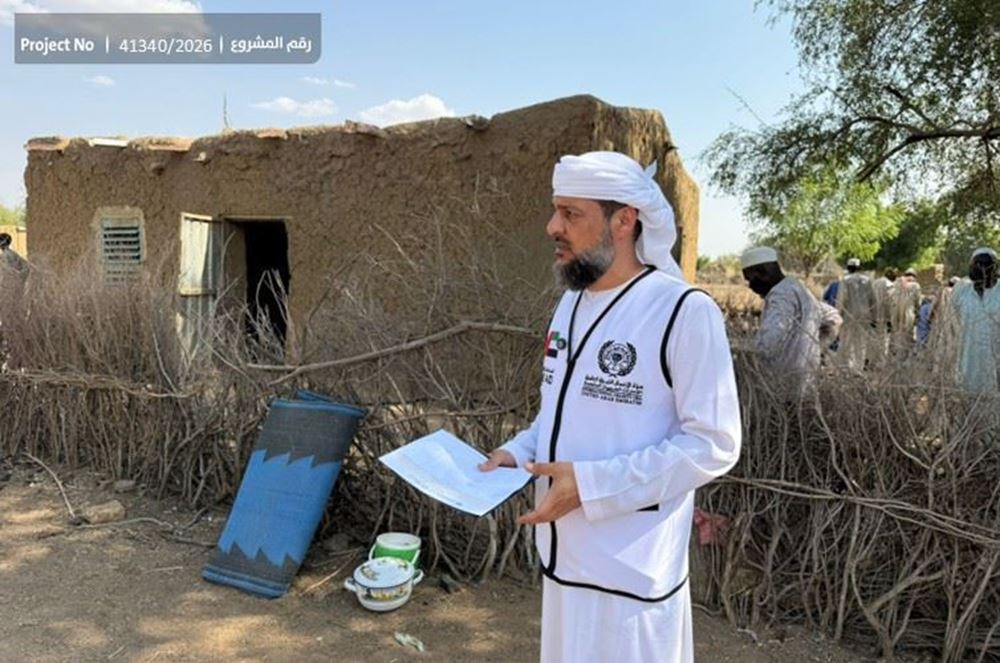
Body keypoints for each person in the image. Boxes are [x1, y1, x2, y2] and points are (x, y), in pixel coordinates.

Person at [478, 151, 741, 662]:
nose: (553, 226)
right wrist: (516, 453)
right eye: (555, 210)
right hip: (564, 562)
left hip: (631, 575)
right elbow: (559, 414)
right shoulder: (571, 302)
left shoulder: (683, 312)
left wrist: (592, 487)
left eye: (571, 214)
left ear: (624, 220)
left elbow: (715, 444)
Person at [740, 247, 841, 394]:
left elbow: (768, 344)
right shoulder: (797, 288)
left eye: (750, 279)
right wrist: (815, 349)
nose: (750, 286)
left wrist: (737, 351)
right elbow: (834, 319)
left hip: (782, 383)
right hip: (807, 376)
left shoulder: (781, 295)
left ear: (763, 274)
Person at [951, 247, 1000, 393]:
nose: (983, 268)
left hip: (995, 362)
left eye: (987, 264)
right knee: (968, 402)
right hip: (968, 360)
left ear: (996, 267)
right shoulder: (961, 291)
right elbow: (953, 325)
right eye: (978, 264)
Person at [837, 258, 875, 370]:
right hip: (864, 316)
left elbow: (841, 299)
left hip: (849, 315)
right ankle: (858, 369)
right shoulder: (867, 280)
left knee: (846, 343)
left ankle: (846, 368)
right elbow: (873, 299)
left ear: (848, 268)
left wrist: (838, 315)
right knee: (861, 343)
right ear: (859, 268)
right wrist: (874, 316)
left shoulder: (845, 280)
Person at [890, 268, 922, 355]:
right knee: (907, 334)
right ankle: (904, 355)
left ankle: (895, 352)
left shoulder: (896, 283)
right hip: (908, 313)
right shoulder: (915, 285)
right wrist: (919, 313)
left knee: (896, 333)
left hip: (895, 313)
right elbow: (918, 301)